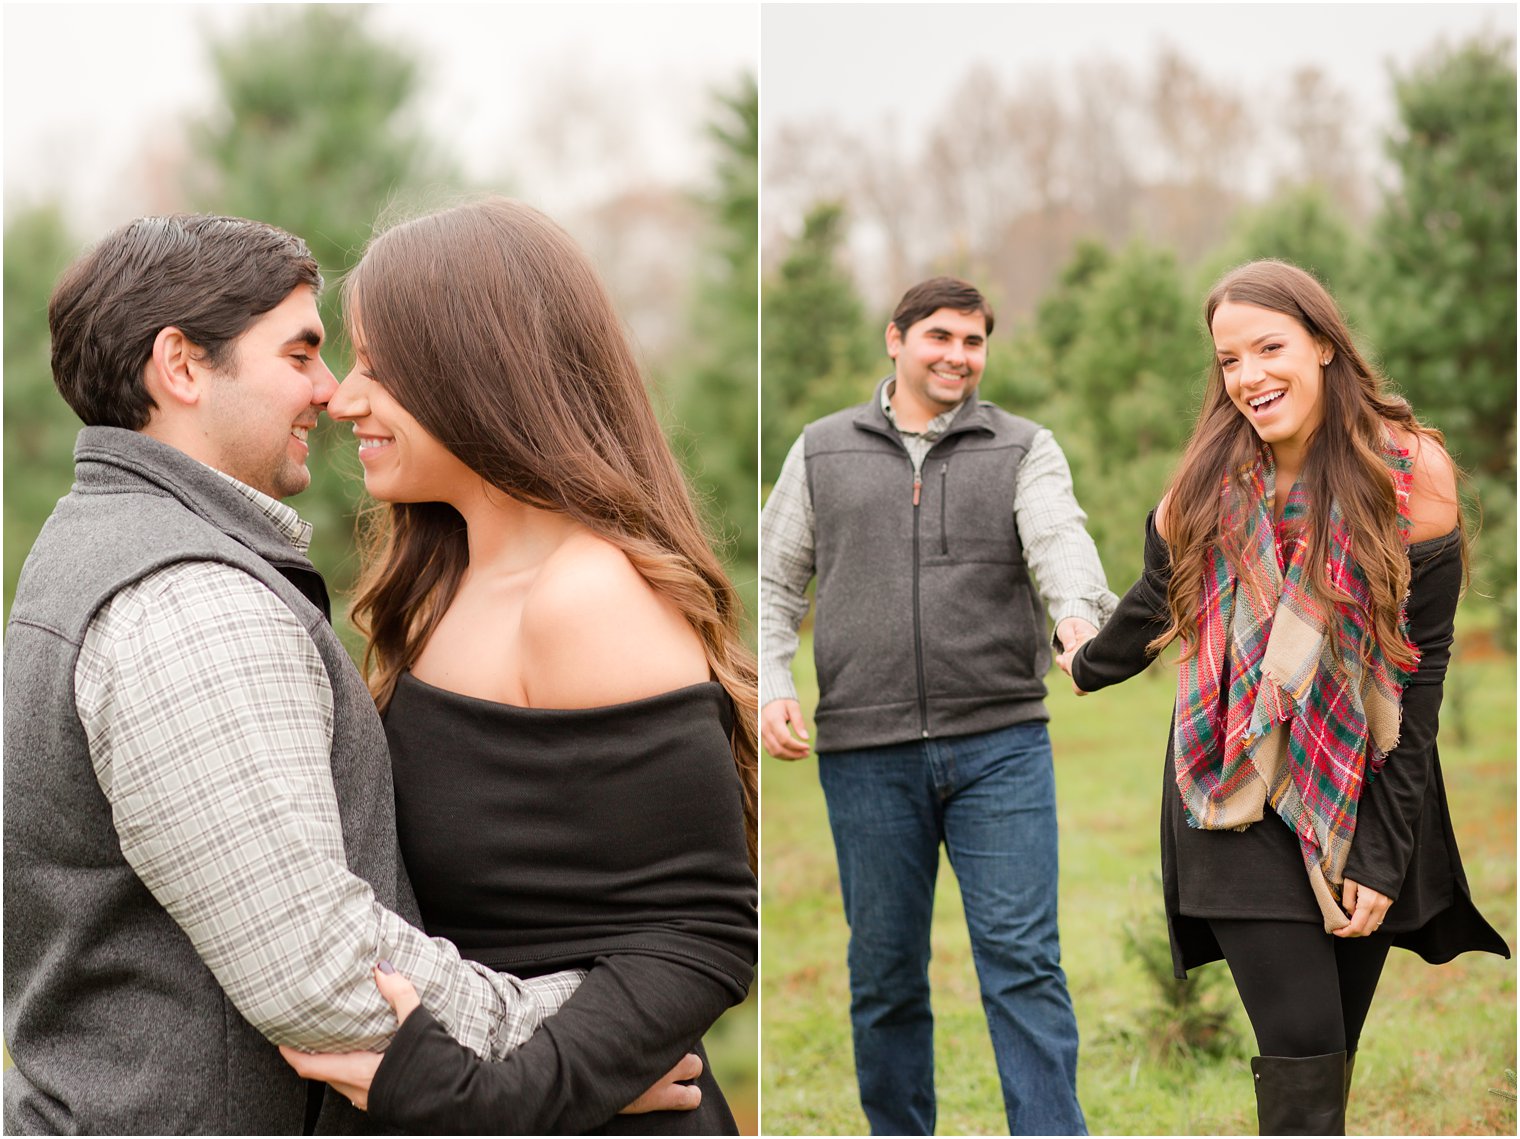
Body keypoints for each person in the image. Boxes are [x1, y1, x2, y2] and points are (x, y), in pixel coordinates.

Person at [2, 213, 696, 1134]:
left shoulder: (101, 541)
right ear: (180, 366)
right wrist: (579, 1045)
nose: (330, 394)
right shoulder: (189, 603)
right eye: (301, 353)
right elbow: (322, 971)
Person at [277, 197, 758, 1134]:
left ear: (481, 371)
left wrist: (487, 1102)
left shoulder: (584, 597)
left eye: (380, 365)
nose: (343, 396)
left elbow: (700, 936)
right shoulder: (441, 576)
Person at [1057, 259, 1510, 1135]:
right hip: (1230, 784)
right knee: (1301, 1045)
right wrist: (1082, 662)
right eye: (1230, 360)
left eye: (1270, 348)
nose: (1250, 377)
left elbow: (1420, 677)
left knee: (1329, 1061)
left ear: (1325, 346)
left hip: (1363, 781)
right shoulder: (1204, 484)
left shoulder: (1410, 478)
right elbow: (1153, 603)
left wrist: (1381, 854)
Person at [759, 276, 1113, 1136]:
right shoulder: (821, 449)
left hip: (1001, 746)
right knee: (884, 974)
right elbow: (774, 583)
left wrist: (1075, 616)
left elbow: (1060, 540)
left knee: (1024, 964)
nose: (958, 355)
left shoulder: (1023, 447)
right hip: (866, 754)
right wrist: (773, 684)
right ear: (896, 339)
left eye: (974, 340)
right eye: (940, 337)